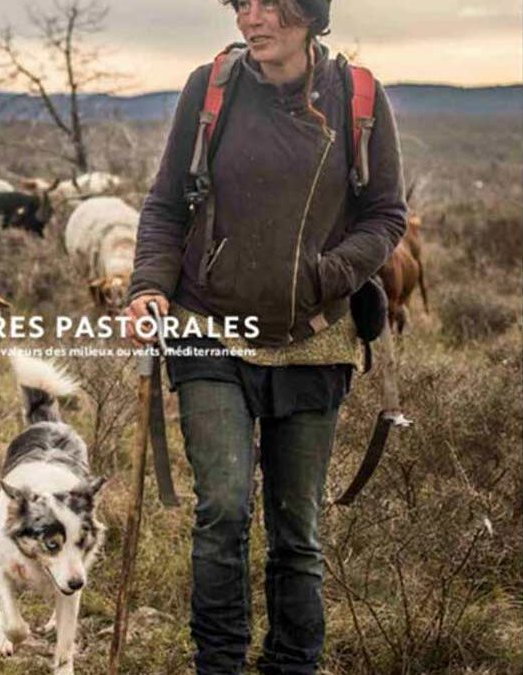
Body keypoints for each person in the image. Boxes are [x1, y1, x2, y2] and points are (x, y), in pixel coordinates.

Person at [124, 0, 407, 673]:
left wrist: (329, 273)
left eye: (271, 5)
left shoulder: (357, 98)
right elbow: (167, 203)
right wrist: (148, 287)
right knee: (221, 508)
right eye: (242, 3)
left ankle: (291, 665)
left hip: (313, 338)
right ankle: (217, 665)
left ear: (308, 14)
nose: (253, 18)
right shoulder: (211, 88)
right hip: (209, 327)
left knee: (296, 531)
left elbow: (386, 213)